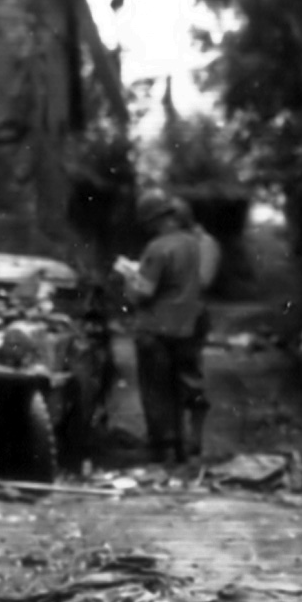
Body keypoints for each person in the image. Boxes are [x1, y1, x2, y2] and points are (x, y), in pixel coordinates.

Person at [117, 189, 212, 466]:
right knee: (181, 385)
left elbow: (143, 292)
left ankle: (162, 448)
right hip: (186, 328)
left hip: (155, 330)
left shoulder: (157, 248)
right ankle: (184, 446)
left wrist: (128, 279)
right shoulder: (192, 245)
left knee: (155, 390)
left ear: (153, 220)